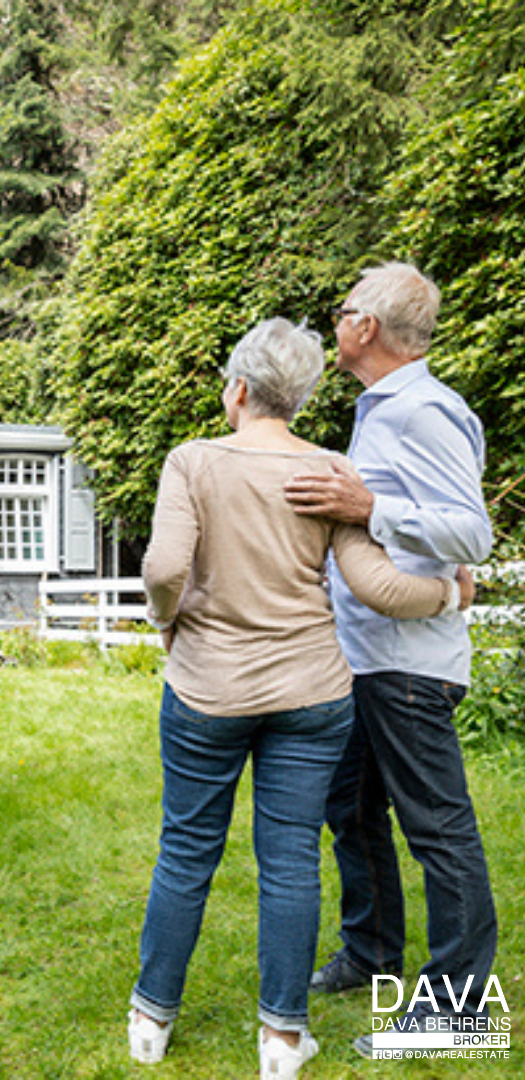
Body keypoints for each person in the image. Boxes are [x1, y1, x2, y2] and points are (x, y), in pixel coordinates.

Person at [129, 317, 468, 1079]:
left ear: (240, 389)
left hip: (208, 687)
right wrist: (448, 591)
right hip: (312, 695)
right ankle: (282, 1040)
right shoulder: (326, 470)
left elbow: (163, 568)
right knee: (290, 860)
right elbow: (377, 587)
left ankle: (151, 1021)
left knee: (187, 849)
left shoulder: (192, 462)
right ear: (302, 396)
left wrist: (168, 622)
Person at [283, 263, 497, 1054]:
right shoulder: (381, 412)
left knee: (438, 828)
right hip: (362, 657)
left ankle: (457, 1011)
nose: (336, 322)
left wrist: (371, 506)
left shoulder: (425, 412)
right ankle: (371, 952)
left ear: (365, 327)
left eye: (342, 311)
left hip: (409, 664)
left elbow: (470, 533)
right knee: (352, 812)